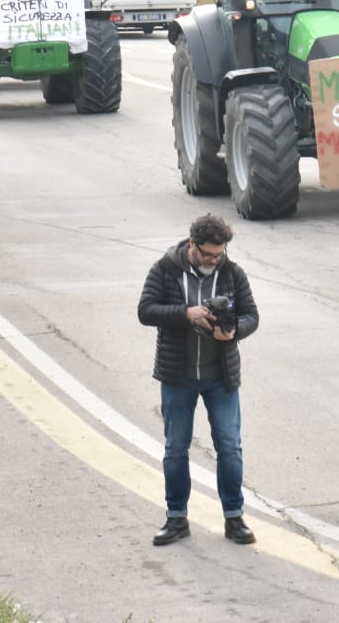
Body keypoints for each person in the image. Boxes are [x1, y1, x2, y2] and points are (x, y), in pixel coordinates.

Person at [137, 213, 259, 548]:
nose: (213, 260)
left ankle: (234, 518)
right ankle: (176, 517)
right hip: (178, 375)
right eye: (207, 254)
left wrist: (232, 331)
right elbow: (145, 310)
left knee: (230, 447)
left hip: (220, 376)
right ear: (192, 245)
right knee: (176, 449)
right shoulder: (165, 269)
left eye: (218, 254)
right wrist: (185, 314)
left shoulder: (232, 273)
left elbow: (252, 316)